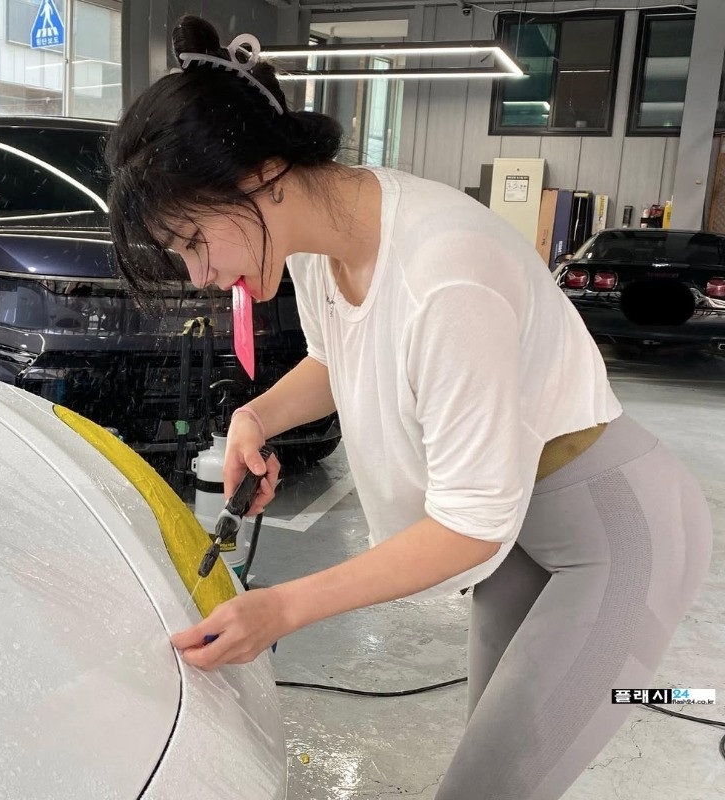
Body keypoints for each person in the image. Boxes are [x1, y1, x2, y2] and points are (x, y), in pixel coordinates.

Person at [105, 15, 713, 799]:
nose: (200, 275)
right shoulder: (319, 240)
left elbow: (468, 524)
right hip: (517, 538)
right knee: (492, 771)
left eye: (194, 240)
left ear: (263, 173)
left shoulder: (446, 274)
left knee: (485, 789)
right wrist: (256, 418)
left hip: (612, 536)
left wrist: (281, 608)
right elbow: (341, 355)